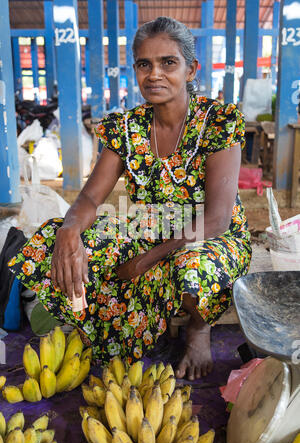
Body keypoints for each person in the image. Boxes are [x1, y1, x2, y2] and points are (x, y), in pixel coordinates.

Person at [8, 17, 252, 381]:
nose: (154, 74)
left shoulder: (217, 120)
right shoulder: (127, 128)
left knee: (191, 265)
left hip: (211, 237)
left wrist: (142, 262)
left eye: (168, 62)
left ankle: (199, 329)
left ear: (191, 70)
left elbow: (216, 218)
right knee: (52, 240)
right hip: (150, 230)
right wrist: (70, 230)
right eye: (144, 64)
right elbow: (91, 196)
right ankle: (122, 330)